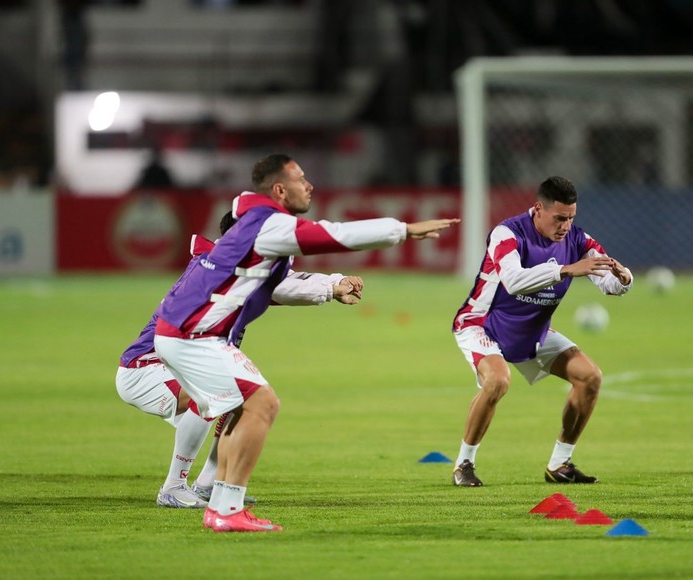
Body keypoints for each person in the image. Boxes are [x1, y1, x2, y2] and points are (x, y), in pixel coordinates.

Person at [152, 153, 459, 532]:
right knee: (263, 404)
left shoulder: (255, 223)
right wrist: (403, 230)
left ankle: (218, 504)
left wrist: (331, 287)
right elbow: (335, 235)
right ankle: (225, 509)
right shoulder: (269, 224)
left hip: (188, 332)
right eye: (300, 179)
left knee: (241, 408)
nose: (309, 185)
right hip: (193, 335)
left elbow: (281, 285)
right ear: (280, 190)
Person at [116, 211, 367, 508]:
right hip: (145, 367)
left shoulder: (236, 267)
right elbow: (281, 287)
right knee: (210, 393)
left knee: (241, 398)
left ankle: (207, 485)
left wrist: (336, 282)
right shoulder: (216, 268)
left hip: (172, 364)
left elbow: (281, 282)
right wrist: (331, 287)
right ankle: (173, 487)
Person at [450, 176, 632, 487]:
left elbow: (610, 284)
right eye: (559, 218)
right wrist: (565, 269)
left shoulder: (578, 240)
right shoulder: (507, 234)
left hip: (532, 330)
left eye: (571, 217)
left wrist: (623, 277)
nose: (566, 226)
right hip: (483, 323)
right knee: (497, 381)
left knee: (590, 377)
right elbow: (513, 281)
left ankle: (560, 463)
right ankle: (463, 464)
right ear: (538, 209)